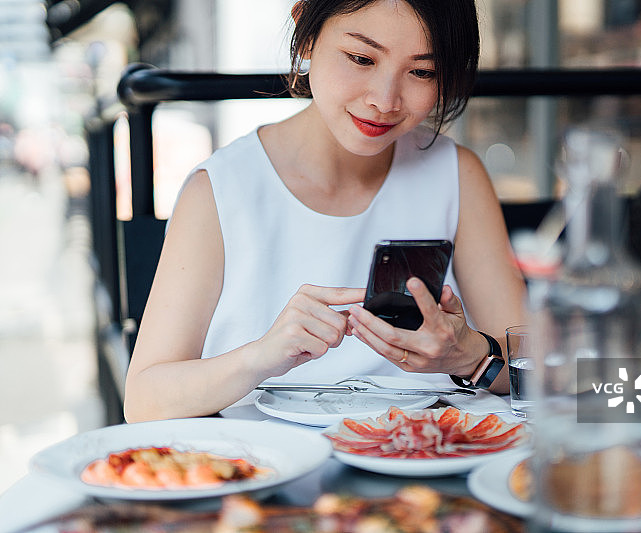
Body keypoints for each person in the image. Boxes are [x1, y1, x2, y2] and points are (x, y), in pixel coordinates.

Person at [123, 0, 526, 422]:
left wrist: (470, 356)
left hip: (424, 462)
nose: (385, 100)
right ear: (307, 34)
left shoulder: (455, 173)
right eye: (361, 58)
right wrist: (261, 356)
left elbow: (552, 371)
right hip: (264, 469)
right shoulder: (221, 191)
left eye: (422, 71)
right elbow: (143, 400)